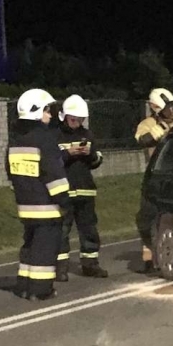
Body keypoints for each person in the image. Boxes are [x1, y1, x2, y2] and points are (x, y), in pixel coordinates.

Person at [9, 89, 70, 301]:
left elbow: (12, 173)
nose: (50, 115)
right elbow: (53, 173)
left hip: (25, 205)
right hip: (46, 207)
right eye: (47, 110)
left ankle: (24, 285)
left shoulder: (16, 140)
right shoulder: (44, 139)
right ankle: (40, 289)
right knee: (45, 249)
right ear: (36, 112)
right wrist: (64, 199)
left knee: (29, 246)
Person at [134, 87, 173, 272]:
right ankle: (148, 259)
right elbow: (141, 140)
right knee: (149, 217)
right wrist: (160, 130)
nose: (171, 110)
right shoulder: (148, 124)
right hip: (157, 176)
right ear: (156, 108)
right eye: (167, 107)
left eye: (172, 106)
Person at [57, 94, 108, 279]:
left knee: (89, 230)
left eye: (79, 119)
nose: (76, 122)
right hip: (64, 191)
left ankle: (90, 265)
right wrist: (68, 153)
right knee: (62, 230)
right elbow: (51, 162)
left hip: (86, 190)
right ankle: (60, 269)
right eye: (73, 119)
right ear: (64, 116)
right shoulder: (55, 135)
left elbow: (97, 161)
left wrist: (90, 153)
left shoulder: (87, 135)